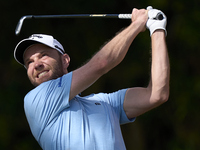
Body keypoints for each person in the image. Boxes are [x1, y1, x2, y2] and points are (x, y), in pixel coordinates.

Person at [14, 6, 169, 150]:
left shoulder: (105, 103)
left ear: (65, 60)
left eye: (44, 55)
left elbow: (157, 94)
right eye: (29, 62)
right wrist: (138, 24)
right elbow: (101, 64)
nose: (36, 65)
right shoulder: (36, 99)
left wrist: (157, 28)